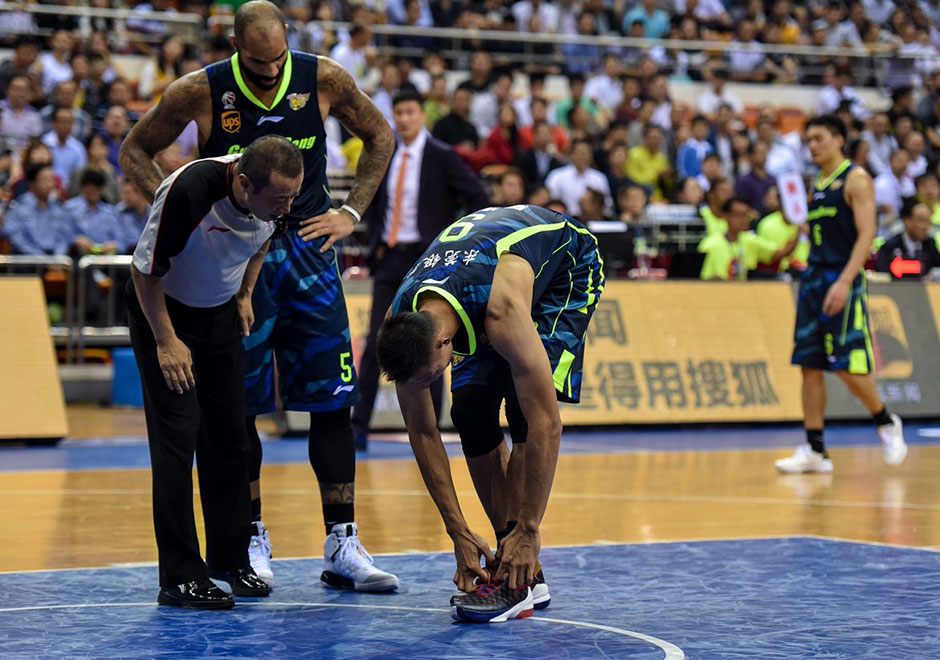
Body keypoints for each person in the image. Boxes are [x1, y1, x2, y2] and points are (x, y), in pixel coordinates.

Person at [119, 0, 398, 593]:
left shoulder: (323, 75)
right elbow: (134, 151)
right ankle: (247, 536)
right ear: (234, 43)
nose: (271, 72)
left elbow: (380, 135)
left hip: (310, 247)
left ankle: (342, 539)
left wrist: (351, 212)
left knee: (331, 398)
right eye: (257, 61)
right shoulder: (199, 90)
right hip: (237, 258)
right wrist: (179, 218)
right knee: (235, 407)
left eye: (277, 60)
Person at [376, 204, 604, 623]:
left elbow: (547, 426)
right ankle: (514, 568)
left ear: (446, 343)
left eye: (430, 377)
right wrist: (458, 532)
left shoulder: (500, 310)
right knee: (469, 411)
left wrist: (530, 529)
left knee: (523, 410)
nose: (425, 386)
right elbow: (424, 433)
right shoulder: (401, 321)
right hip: (476, 274)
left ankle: (519, 572)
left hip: (563, 268)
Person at [130, 140, 297, 608]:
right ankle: (180, 577)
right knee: (177, 440)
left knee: (231, 442)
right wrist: (166, 341)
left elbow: (263, 243)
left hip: (220, 313)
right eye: (279, 199)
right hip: (162, 315)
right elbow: (144, 273)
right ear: (244, 184)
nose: (287, 208)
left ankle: (230, 561)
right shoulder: (191, 190)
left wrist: (245, 294)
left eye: (291, 198)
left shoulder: (277, 198)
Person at [353, 90, 488, 449]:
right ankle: (358, 427)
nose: (404, 119)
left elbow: (478, 195)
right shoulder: (384, 154)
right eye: (398, 112)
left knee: (435, 340)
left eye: (410, 111)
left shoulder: (442, 156)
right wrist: (378, 241)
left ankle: (436, 429)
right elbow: (371, 198)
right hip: (391, 256)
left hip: (429, 260)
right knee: (376, 339)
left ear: (422, 115)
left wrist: (452, 239)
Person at [777, 115, 907, 475]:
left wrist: (845, 280)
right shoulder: (815, 183)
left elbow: (866, 236)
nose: (812, 146)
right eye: (808, 140)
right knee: (808, 363)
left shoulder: (857, 179)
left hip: (843, 277)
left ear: (838, 139)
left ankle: (885, 421)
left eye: (818, 138)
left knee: (846, 363)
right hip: (814, 276)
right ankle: (816, 449)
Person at [697, 196, 795, 280]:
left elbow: (783, 253)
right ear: (726, 216)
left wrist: (798, 231)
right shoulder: (709, 245)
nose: (744, 220)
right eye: (739, 215)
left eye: (746, 215)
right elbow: (701, 280)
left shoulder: (750, 240)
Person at [2, 163, 72, 255]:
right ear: (32, 183)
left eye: (52, 180)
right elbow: (16, 237)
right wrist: (40, 258)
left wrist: (57, 258)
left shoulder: (58, 207)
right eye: (45, 180)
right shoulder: (20, 206)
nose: (49, 184)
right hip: (27, 261)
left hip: (56, 261)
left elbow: (64, 236)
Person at [545, 139, 610, 216]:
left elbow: (607, 203)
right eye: (578, 153)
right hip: (563, 220)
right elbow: (551, 202)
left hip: (591, 221)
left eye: (585, 153)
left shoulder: (599, 178)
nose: (582, 157)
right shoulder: (556, 176)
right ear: (571, 154)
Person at [875, 201, 940, 278]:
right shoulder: (890, 246)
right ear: (907, 221)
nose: (926, 227)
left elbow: (937, 268)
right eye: (921, 220)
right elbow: (881, 274)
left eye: (928, 221)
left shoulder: (930, 245)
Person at [41, 106, 87, 184]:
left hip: (70, 190)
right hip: (46, 186)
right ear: (54, 123)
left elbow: (81, 174)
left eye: (69, 122)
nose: (65, 126)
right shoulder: (44, 143)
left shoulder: (78, 148)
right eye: (62, 122)